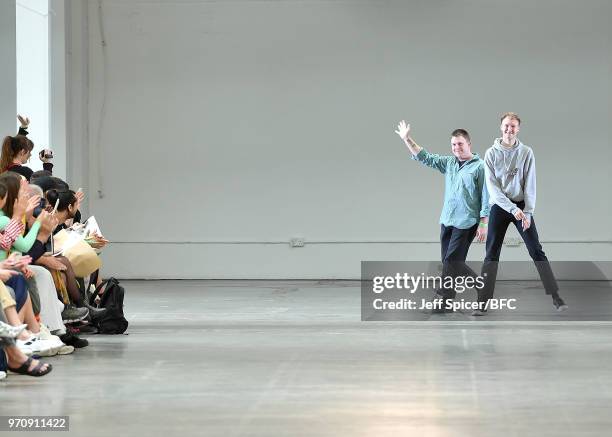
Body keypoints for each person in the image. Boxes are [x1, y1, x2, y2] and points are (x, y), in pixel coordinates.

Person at [475, 112, 568, 316]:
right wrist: (512, 209)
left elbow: (530, 185)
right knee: (491, 253)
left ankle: (555, 296)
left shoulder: (526, 152)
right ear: (501, 127)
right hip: (500, 207)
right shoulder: (490, 153)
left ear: (519, 129)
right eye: (507, 126)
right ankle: (482, 303)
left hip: (522, 206)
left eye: (514, 126)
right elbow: (493, 190)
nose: (510, 130)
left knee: (536, 249)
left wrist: (527, 212)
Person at [395, 121, 489, 312]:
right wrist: (407, 139)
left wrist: (483, 223)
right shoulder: (449, 163)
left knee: (451, 262)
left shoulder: (480, 167)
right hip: (447, 220)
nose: (456, 148)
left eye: (460, 144)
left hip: (467, 222)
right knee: (451, 264)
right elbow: (425, 157)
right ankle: (461, 294)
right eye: (453, 144)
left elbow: (486, 197)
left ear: (469, 144)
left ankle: (449, 298)